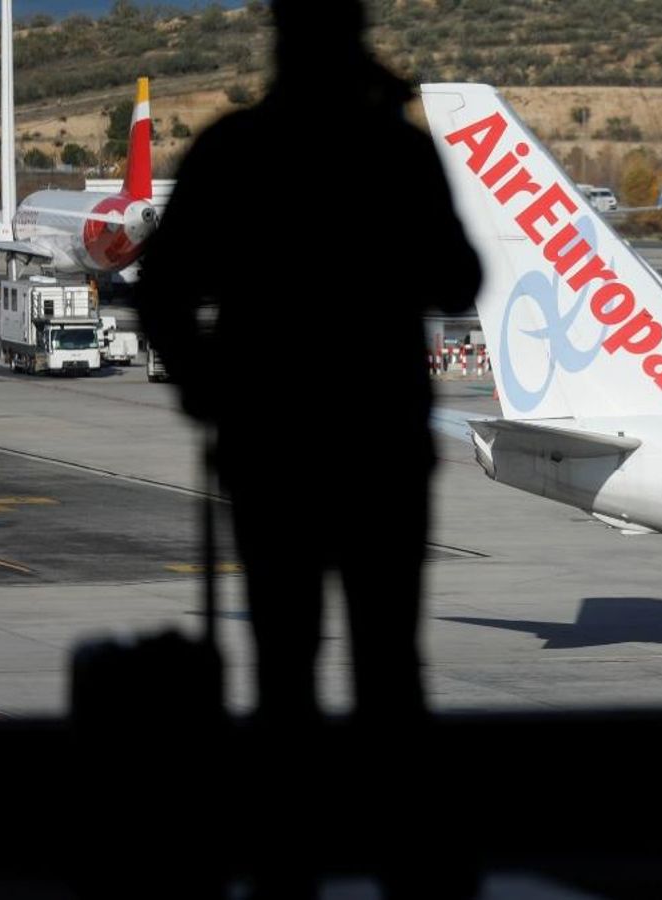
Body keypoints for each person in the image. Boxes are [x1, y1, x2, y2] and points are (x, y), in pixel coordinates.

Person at [137, 0, 482, 727]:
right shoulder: (395, 153)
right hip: (378, 444)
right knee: (389, 665)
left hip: (269, 446)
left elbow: (162, 290)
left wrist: (206, 387)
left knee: (282, 662)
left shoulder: (234, 151)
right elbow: (458, 281)